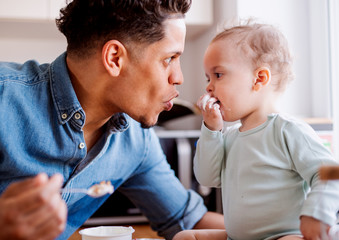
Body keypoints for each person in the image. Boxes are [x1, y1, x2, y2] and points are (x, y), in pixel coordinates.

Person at [0, 1, 225, 239]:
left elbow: (188, 220)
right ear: (115, 58)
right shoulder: (4, 99)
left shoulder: (136, 139)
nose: (178, 77)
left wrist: (264, 230)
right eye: (169, 59)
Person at [173, 21, 339, 240]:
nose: (209, 87)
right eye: (208, 78)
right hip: (236, 236)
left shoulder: (287, 130)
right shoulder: (229, 137)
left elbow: (329, 175)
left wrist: (316, 214)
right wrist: (211, 130)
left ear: (259, 79)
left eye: (218, 75)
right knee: (185, 237)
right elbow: (206, 178)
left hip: (284, 235)